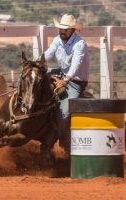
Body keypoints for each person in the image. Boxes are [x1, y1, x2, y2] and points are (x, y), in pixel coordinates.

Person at [44, 14, 90, 151]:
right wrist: (35, 63)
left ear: (72, 30)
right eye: (61, 29)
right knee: (35, 80)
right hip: (61, 74)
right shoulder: (57, 40)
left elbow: (76, 65)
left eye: (65, 29)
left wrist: (65, 80)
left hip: (75, 82)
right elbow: (48, 54)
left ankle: (62, 141)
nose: (62, 31)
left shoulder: (79, 44)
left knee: (64, 112)